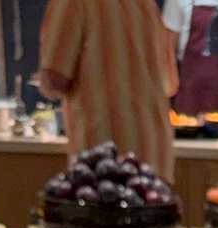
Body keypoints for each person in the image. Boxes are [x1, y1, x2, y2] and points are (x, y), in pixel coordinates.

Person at [38, 0, 176, 178]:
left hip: (105, 156)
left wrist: (44, 82)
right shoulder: (147, 4)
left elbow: (55, 77)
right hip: (155, 153)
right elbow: (169, 83)